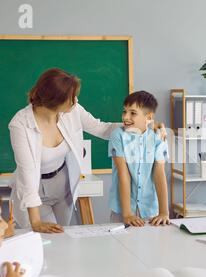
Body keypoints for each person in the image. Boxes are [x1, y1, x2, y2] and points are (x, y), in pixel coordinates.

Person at [9, 68, 166, 233]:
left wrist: (142, 126)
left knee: (63, 235)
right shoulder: (20, 124)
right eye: (71, 98)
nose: (75, 101)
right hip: (35, 188)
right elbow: (27, 173)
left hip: (64, 185)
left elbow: (101, 128)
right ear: (55, 100)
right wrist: (35, 221)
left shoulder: (72, 110)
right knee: (45, 237)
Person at [109, 91, 170, 226]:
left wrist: (164, 212)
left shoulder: (158, 136)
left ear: (148, 117)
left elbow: (159, 174)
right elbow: (123, 175)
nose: (126, 117)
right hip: (123, 210)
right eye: (124, 112)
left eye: (133, 113)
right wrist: (127, 214)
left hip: (150, 211)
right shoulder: (117, 136)